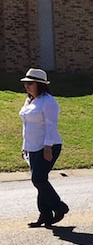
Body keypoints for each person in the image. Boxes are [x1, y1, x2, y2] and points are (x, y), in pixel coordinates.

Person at [19, 68, 69, 228]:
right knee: (40, 180)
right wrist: (24, 147)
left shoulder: (48, 102)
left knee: (38, 179)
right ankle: (45, 215)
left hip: (48, 146)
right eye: (25, 83)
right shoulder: (30, 101)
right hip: (32, 147)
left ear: (39, 84)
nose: (27, 86)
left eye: (30, 83)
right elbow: (26, 126)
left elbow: (51, 126)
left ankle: (59, 207)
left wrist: (47, 147)